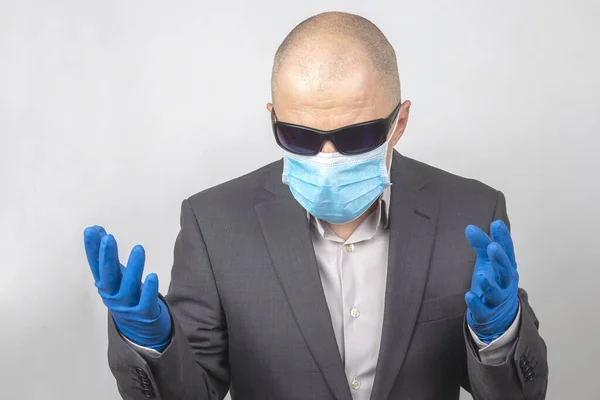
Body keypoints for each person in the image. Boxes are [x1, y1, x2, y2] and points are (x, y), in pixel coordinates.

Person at [83, 11, 548, 400]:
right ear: (274, 119)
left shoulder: (470, 213)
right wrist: (151, 342)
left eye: (356, 136)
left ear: (399, 122)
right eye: (300, 137)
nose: (327, 158)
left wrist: (498, 336)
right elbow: (193, 392)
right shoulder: (214, 224)